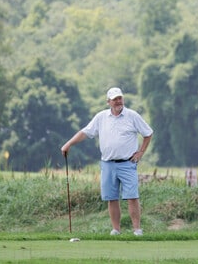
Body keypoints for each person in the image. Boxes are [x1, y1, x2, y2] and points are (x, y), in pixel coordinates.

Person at [61, 87, 153, 236]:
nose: (118, 101)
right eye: (115, 99)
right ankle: (116, 230)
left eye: (120, 98)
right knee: (111, 198)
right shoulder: (101, 117)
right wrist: (68, 144)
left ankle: (137, 230)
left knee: (132, 196)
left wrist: (141, 152)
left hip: (127, 163)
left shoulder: (132, 116)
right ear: (108, 101)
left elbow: (148, 133)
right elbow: (85, 132)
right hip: (108, 163)